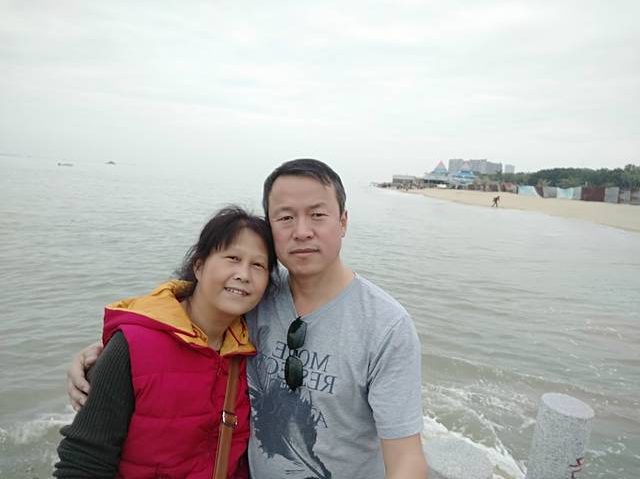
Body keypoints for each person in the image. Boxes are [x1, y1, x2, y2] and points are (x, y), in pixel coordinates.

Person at [68, 159, 428, 479]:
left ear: (343, 221)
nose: (302, 230)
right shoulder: (255, 297)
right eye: (285, 217)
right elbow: (181, 318)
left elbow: (406, 458)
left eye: (318, 215)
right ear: (271, 228)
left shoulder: (386, 326)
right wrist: (109, 353)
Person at [55, 207, 277, 478]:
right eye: (233, 258)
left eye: (258, 265)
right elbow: (83, 461)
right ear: (199, 266)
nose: (244, 274)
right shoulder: (132, 346)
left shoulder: (252, 351)